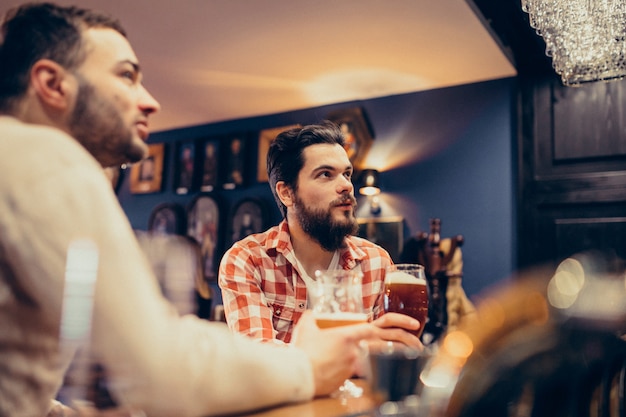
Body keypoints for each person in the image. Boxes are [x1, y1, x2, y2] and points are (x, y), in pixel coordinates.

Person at [0, 3, 383, 417]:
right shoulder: (45, 156)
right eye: (127, 76)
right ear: (52, 84)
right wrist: (308, 366)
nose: (150, 102)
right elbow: (158, 370)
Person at [219, 122, 423, 347]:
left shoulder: (376, 262)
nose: (346, 185)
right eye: (326, 174)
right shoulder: (248, 259)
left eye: (347, 174)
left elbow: (385, 356)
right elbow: (260, 361)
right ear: (287, 193)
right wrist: (356, 350)